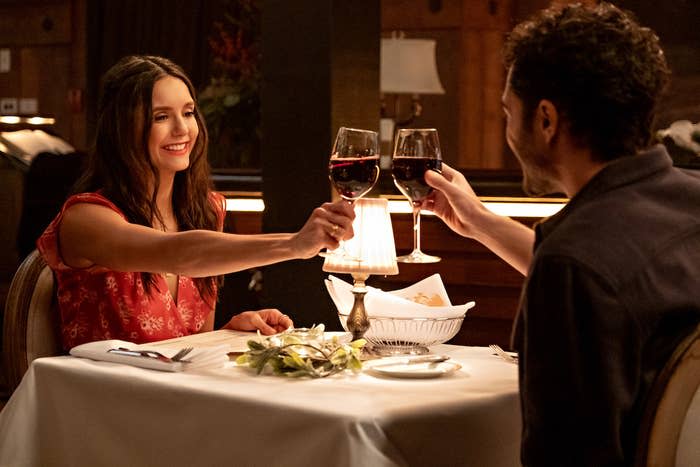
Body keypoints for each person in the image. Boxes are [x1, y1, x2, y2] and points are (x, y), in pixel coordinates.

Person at [422, 3, 700, 466]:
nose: (509, 128)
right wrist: (478, 220)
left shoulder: (574, 263)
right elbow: (620, 279)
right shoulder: (685, 204)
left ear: (546, 120)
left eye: (509, 112)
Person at [37, 55, 355, 350]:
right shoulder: (86, 218)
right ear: (121, 129)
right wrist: (294, 245)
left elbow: (190, 348)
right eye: (161, 116)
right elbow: (177, 253)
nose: (182, 129)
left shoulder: (205, 211)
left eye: (188, 112)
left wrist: (226, 332)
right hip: (95, 400)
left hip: (174, 401)